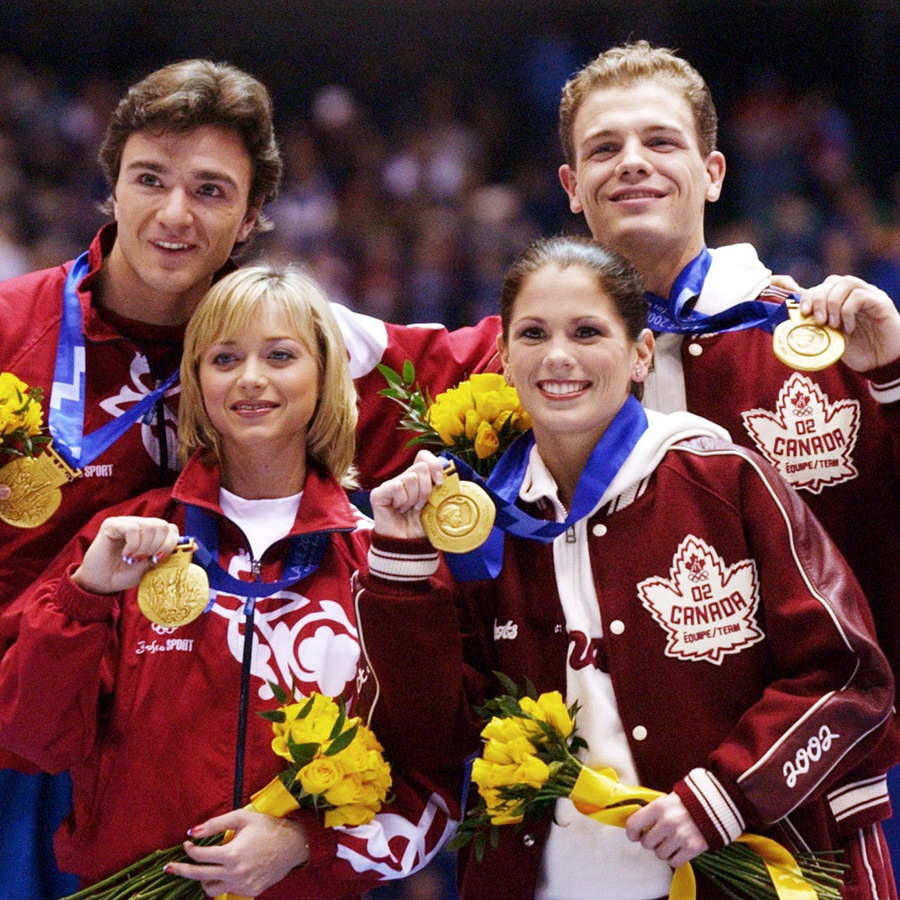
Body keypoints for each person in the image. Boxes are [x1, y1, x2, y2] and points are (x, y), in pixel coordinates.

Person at [332, 40, 900, 873]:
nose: (632, 163)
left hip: (800, 811)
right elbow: (308, 356)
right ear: (571, 187)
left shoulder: (831, 340)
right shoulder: (514, 366)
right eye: (604, 148)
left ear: (712, 171)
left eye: (660, 142)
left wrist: (893, 380)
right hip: (577, 838)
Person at [0, 264, 457, 898]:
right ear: (196, 381)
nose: (250, 378)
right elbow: (34, 743)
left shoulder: (378, 559)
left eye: (280, 355)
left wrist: (306, 844)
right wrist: (84, 596)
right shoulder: (125, 539)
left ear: (324, 374)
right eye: (224, 357)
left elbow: (430, 786)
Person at [0, 58, 282, 898]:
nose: (173, 214)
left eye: (209, 190)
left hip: (164, 764)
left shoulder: (268, 365)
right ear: (110, 187)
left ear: (251, 217)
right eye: (150, 179)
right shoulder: (11, 325)